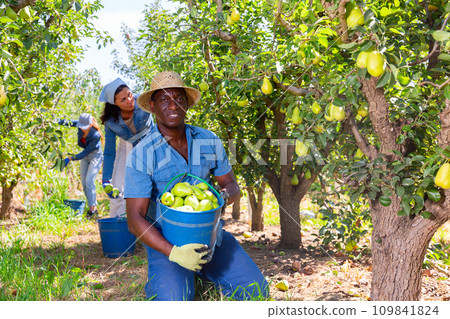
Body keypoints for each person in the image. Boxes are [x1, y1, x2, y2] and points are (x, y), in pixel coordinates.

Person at [124, 71, 269, 301]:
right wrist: (174, 253)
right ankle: (182, 273)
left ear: (187, 105)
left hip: (209, 236)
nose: (173, 106)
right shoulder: (142, 153)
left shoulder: (208, 140)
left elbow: (231, 185)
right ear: (152, 106)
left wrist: (220, 200)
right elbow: (134, 219)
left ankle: (202, 273)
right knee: (172, 302)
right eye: (164, 100)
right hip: (168, 243)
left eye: (179, 99)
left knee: (255, 291)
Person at [99, 78, 154, 217]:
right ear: (114, 103)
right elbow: (110, 152)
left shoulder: (143, 101)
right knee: (117, 185)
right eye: (123, 100)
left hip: (150, 140)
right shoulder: (110, 121)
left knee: (153, 181)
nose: (129, 100)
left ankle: (151, 220)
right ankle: (119, 223)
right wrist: (106, 179)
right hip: (127, 143)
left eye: (129, 94)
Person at [60, 113, 103, 219]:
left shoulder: (95, 135)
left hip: (95, 156)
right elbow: (68, 122)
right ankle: (92, 208)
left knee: (89, 181)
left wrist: (70, 158)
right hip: (85, 156)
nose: (82, 129)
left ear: (90, 124)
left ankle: (93, 210)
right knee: (84, 183)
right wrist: (54, 121)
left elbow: (86, 152)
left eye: (85, 127)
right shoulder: (80, 125)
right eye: (81, 127)